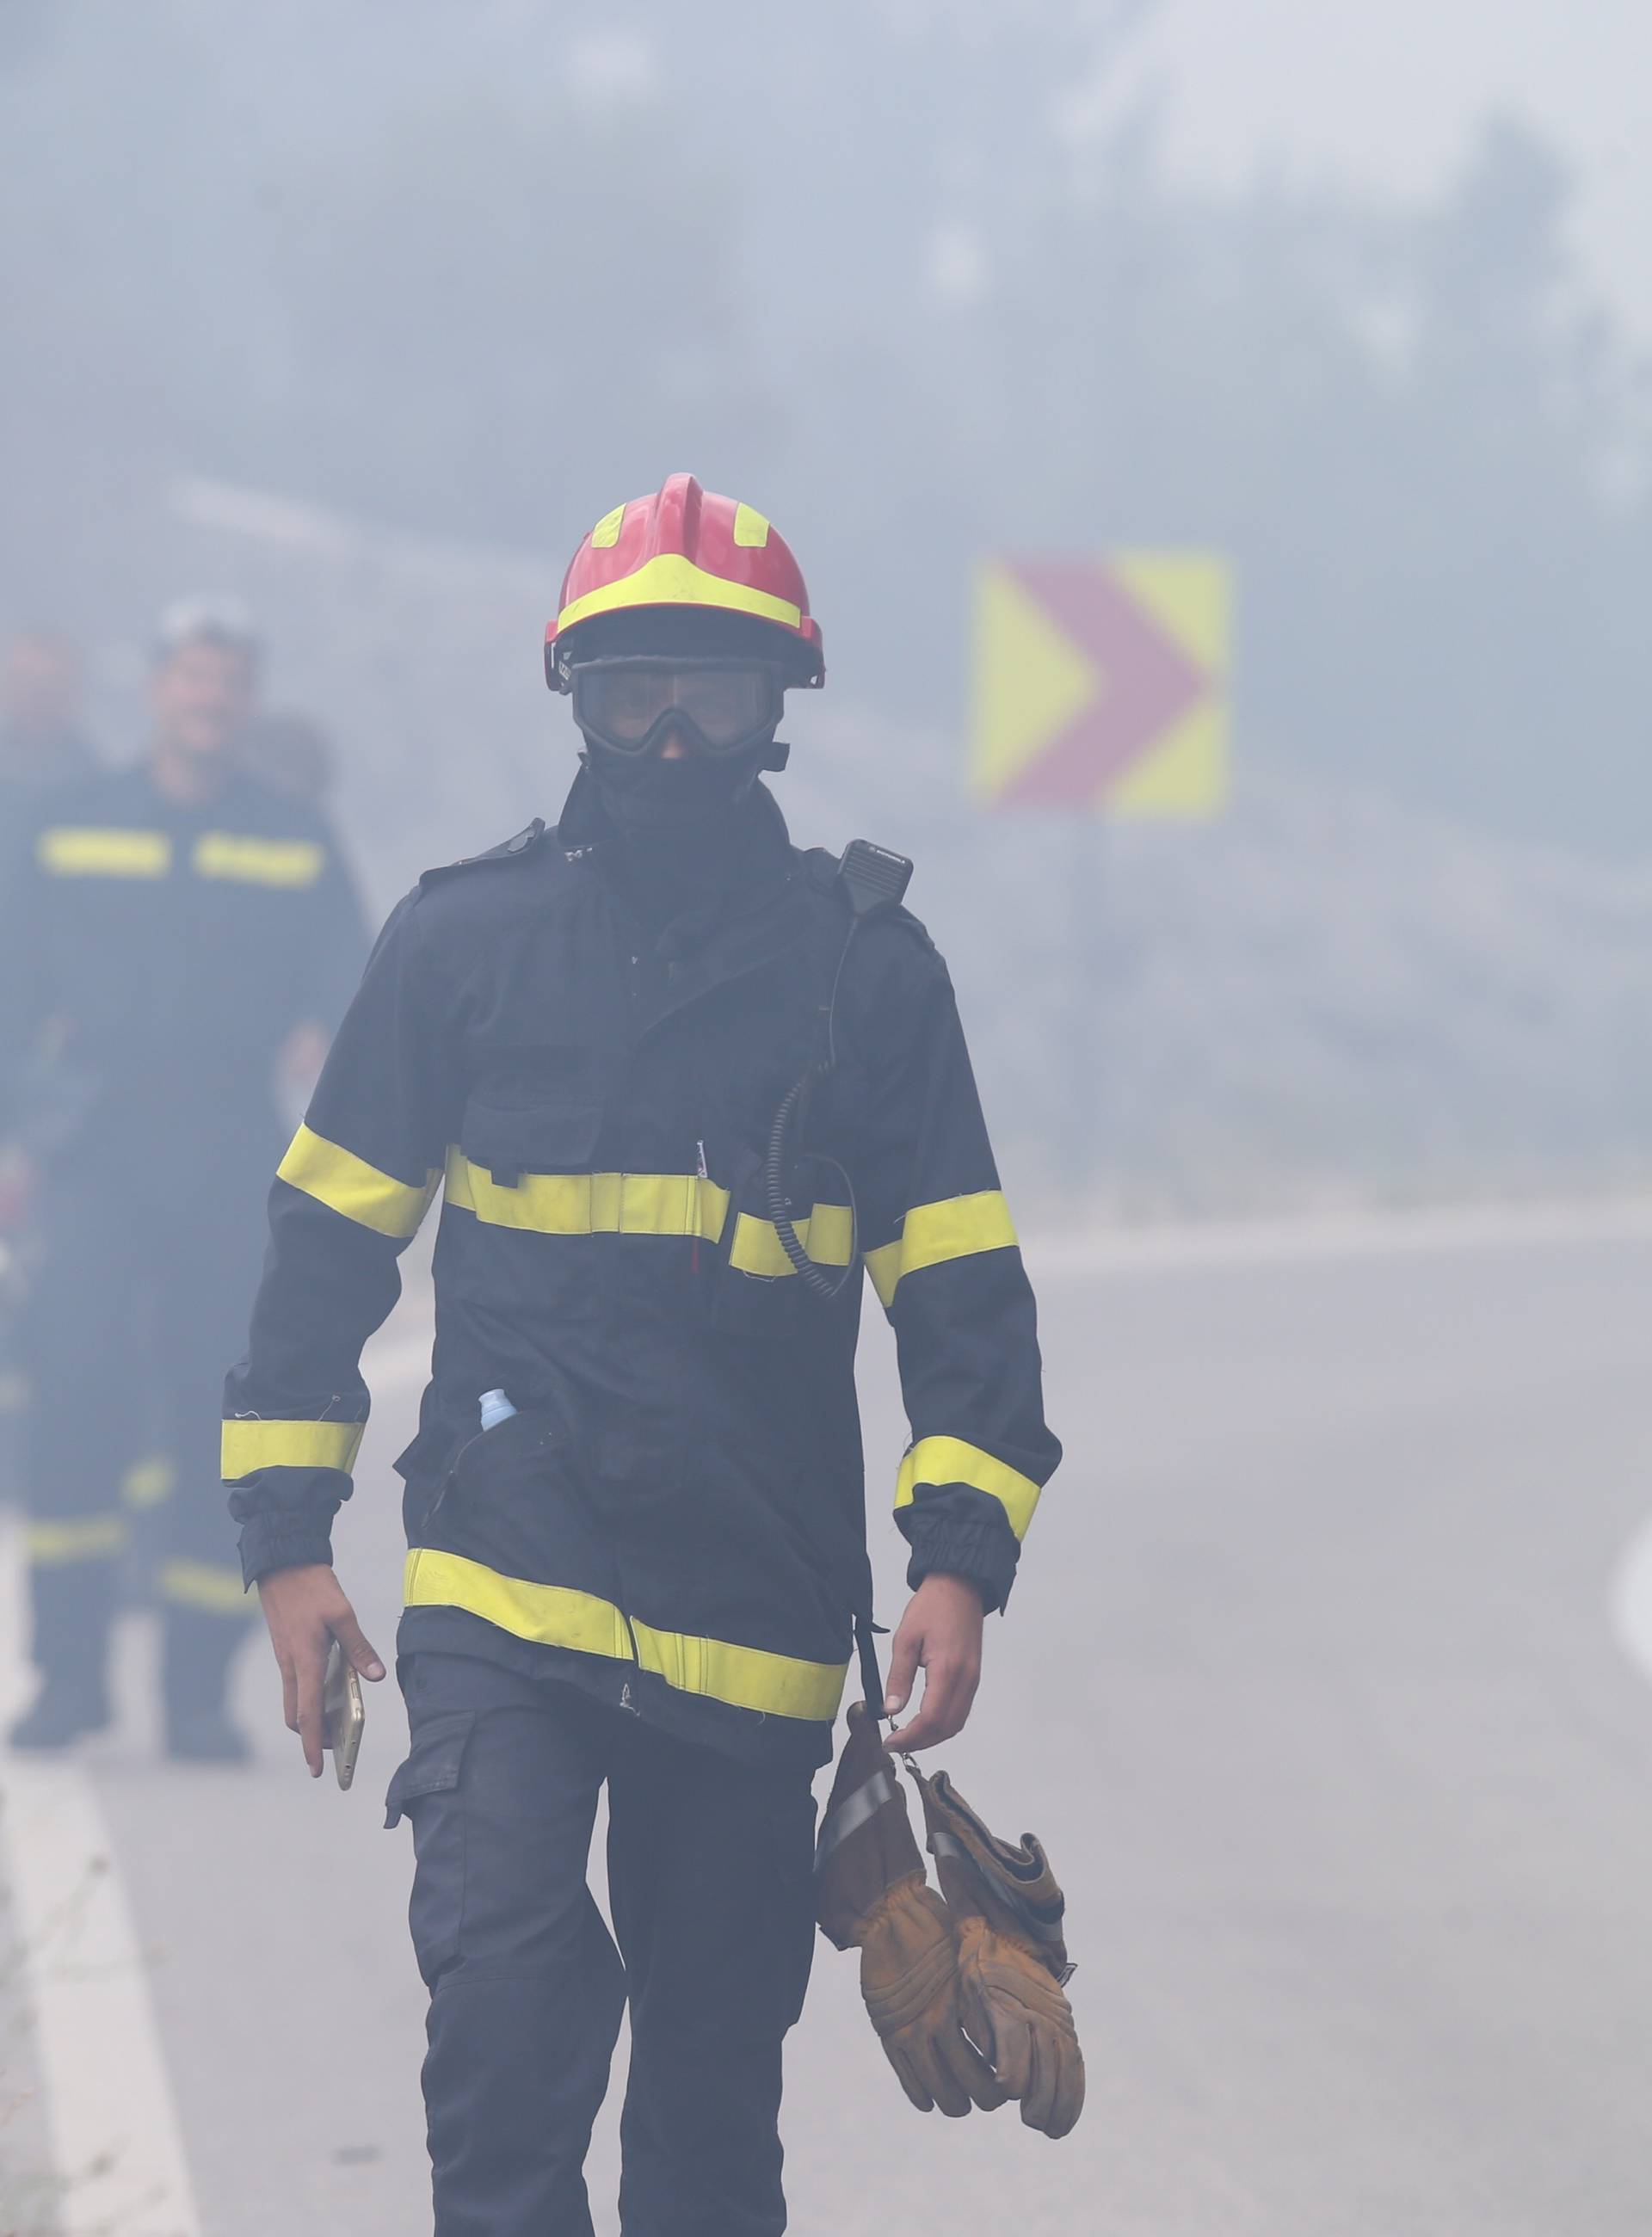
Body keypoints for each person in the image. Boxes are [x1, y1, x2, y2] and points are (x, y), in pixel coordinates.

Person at [225, 477, 1060, 2234]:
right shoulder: (462, 945)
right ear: (575, 699)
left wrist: (958, 1563)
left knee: (703, 2105)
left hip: (752, 1621)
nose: (672, 734)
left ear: (779, 713)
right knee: (507, 2014)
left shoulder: (868, 979)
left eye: (714, 693)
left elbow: (966, 1295)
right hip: (505, 1591)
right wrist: (290, 1544)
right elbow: (324, 1252)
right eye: (634, 694)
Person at [0, 596, 367, 1760]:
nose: (208, 700)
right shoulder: (65, 825)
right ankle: (67, 1680)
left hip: (227, 1155)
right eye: (191, 679)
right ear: (159, 690)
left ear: (245, 702)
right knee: (74, 1394)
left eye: (227, 683)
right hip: (94, 1152)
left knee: (228, 1424)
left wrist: (323, 1033)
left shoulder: (296, 838)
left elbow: (358, 986)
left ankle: (199, 1699)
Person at [0, 626, 97, 800]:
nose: (34, 697)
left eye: (49, 685)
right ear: (7, 687)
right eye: (25, 681)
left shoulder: (99, 784)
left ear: (73, 692)